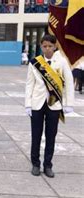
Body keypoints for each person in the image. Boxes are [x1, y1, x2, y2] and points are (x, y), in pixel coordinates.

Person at [25, 34, 74, 178]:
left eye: (50, 46)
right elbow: (29, 84)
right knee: (36, 135)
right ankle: (35, 164)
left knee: (51, 136)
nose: (47, 49)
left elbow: (69, 84)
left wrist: (68, 103)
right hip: (37, 103)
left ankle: (48, 165)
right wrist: (28, 104)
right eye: (44, 46)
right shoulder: (35, 63)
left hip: (55, 104)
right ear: (41, 46)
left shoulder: (62, 62)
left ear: (55, 46)